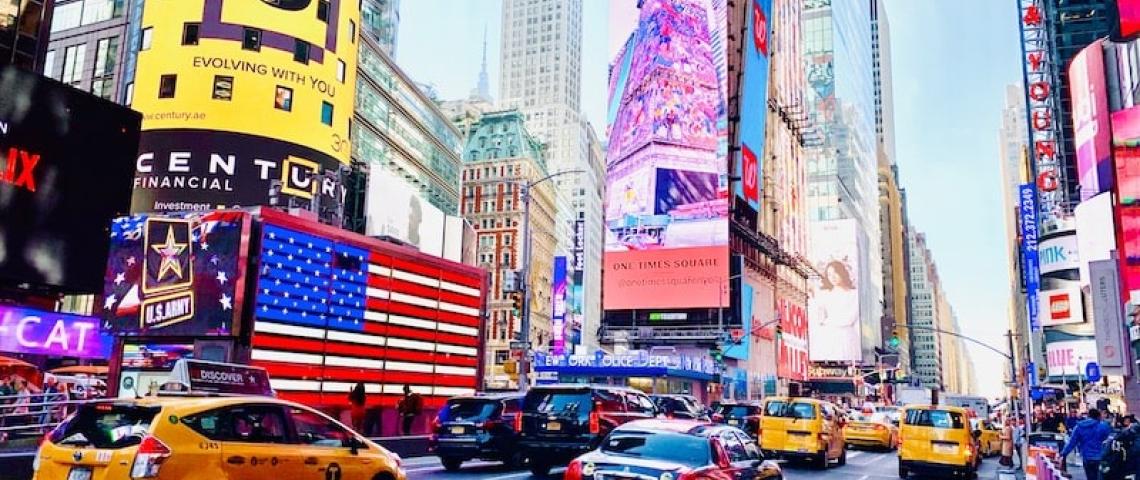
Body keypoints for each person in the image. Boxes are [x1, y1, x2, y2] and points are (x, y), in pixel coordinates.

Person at [1061, 408, 1114, 480]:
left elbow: (1071, 443)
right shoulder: (1103, 427)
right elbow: (1106, 438)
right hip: (1099, 456)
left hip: (1086, 456)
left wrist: (1064, 453)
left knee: (1090, 477)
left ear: (1088, 416)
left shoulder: (1079, 427)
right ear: (1098, 417)